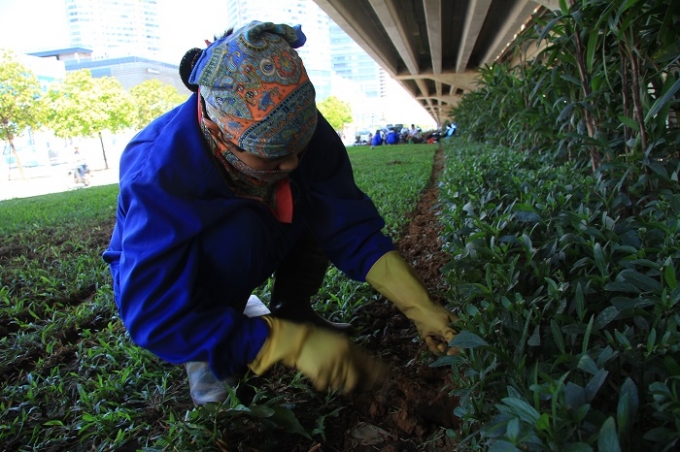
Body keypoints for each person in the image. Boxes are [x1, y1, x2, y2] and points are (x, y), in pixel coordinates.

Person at [102, 20, 457, 405]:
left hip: (261, 236)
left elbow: (346, 222)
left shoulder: (296, 124)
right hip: (196, 277)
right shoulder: (159, 176)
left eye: (299, 147)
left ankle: (294, 310)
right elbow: (154, 314)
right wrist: (286, 345)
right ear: (221, 135)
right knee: (237, 235)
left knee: (310, 204)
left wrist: (419, 306)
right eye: (272, 154)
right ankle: (212, 344)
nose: (291, 163)